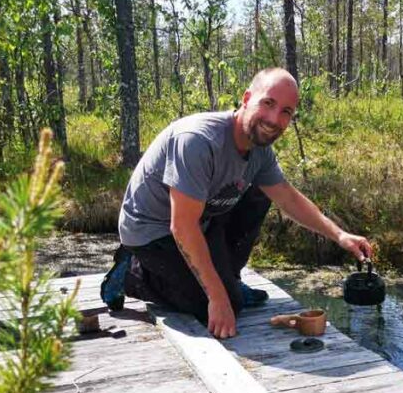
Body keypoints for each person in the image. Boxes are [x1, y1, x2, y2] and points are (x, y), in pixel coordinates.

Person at [101, 67, 373, 339]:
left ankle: (230, 281)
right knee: (216, 305)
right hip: (151, 232)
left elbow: (287, 197)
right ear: (246, 99)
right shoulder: (198, 141)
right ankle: (132, 273)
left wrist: (340, 235)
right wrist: (217, 298)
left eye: (286, 112)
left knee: (259, 192)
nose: (274, 119)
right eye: (268, 103)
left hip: (201, 218)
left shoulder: (260, 151)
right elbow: (182, 226)